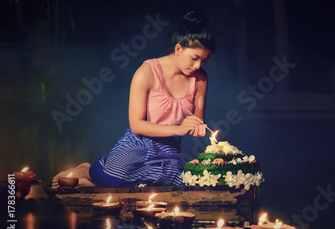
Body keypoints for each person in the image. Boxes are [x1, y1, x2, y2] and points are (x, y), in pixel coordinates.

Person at [52, 11, 215, 188]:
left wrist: (197, 126)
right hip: (139, 143)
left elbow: (197, 120)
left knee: (175, 184)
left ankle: (97, 183)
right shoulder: (146, 72)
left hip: (169, 149)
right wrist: (179, 128)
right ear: (178, 49)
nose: (198, 66)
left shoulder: (200, 79)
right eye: (194, 58)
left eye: (204, 61)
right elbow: (136, 125)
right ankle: (86, 171)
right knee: (115, 173)